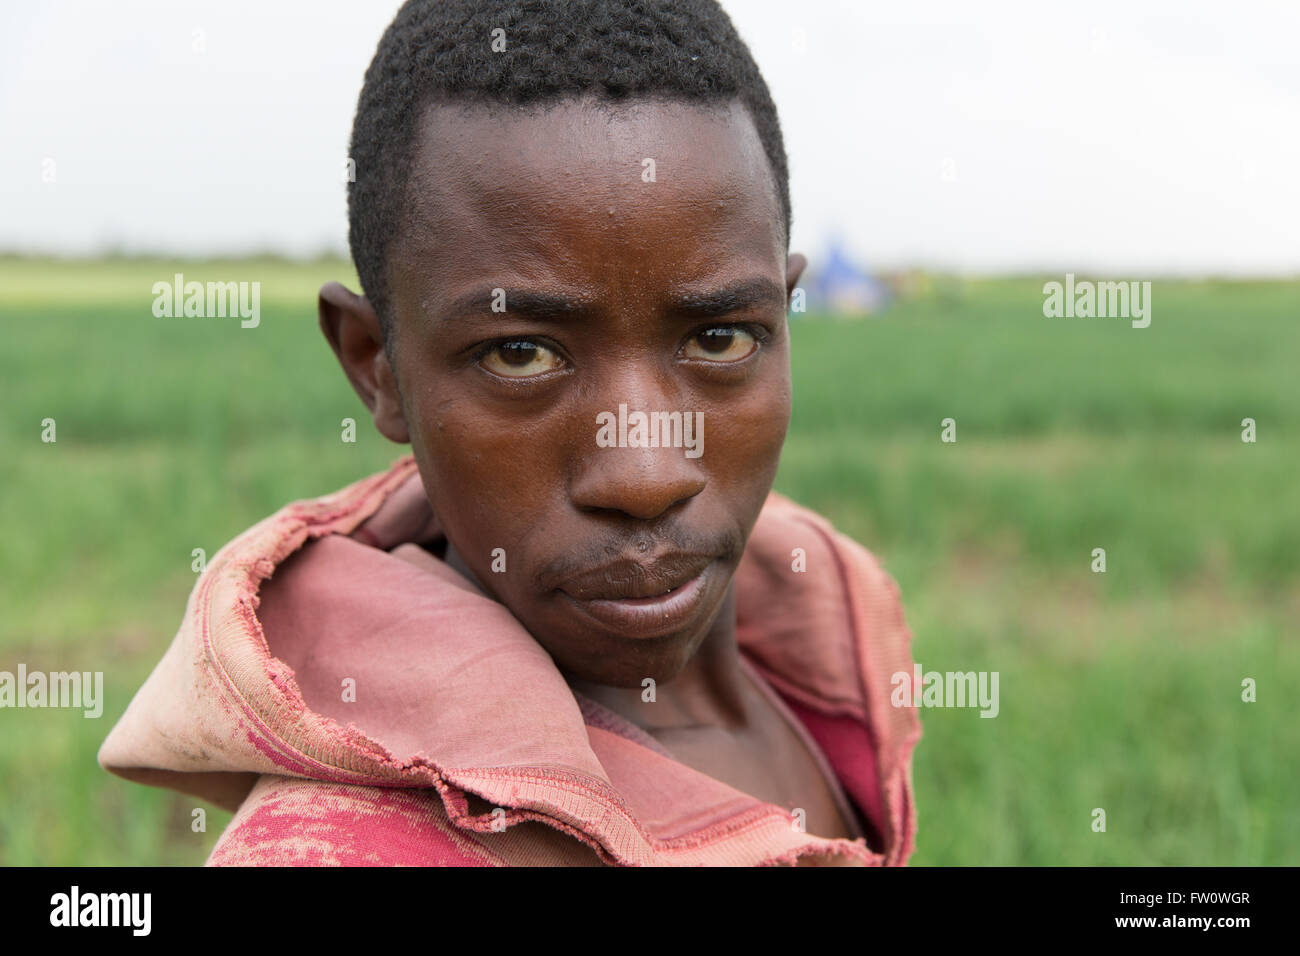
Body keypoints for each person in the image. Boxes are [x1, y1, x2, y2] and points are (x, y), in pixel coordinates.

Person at [98, 0, 922, 866]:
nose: (643, 473)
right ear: (376, 365)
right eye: (521, 354)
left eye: (719, 338)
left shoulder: (828, 668)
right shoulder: (346, 850)